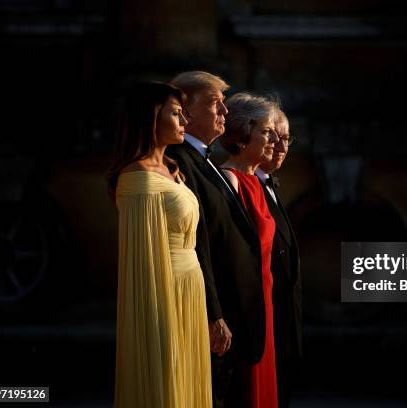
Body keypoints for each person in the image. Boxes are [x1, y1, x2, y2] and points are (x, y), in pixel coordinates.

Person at [107, 82, 212, 408]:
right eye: (177, 114)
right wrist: (155, 326)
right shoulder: (139, 179)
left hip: (189, 290)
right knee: (166, 383)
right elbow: (143, 265)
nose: (185, 122)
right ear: (152, 117)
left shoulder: (171, 171)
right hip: (163, 294)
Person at [166, 72, 265, 407]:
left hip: (234, 313)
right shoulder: (179, 162)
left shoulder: (204, 160)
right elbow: (195, 244)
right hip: (214, 314)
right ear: (187, 112)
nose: (225, 110)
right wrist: (213, 313)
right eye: (214, 103)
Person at [220, 92, 280, 408]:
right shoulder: (230, 179)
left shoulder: (256, 180)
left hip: (264, 301)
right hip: (243, 305)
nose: (273, 140)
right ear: (243, 134)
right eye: (266, 132)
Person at [255, 109, 302, 408]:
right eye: (275, 138)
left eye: (287, 139)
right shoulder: (245, 184)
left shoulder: (270, 182)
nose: (282, 148)